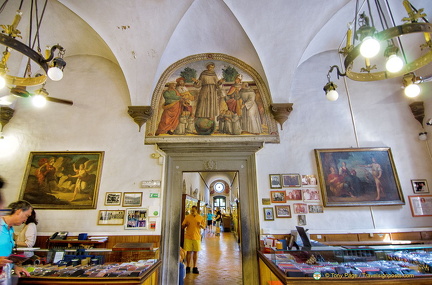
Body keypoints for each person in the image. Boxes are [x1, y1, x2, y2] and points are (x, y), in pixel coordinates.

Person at [1, 200, 33, 283]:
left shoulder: (10, 229)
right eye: (26, 216)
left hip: (4, 275)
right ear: (19, 211)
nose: (26, 220)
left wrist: (14, 267)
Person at [181, 205, 205, 274]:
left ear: (197, 210)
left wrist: (200, 225)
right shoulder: (187, 217)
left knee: (195, 252)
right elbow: (182, 226)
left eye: (193, 210)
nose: (192, 212)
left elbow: (204, 227)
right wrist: (186, 225)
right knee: (188, 252)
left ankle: (194, 267)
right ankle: (188, 266)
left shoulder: (200, 218)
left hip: (197, 237)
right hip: (188, 237)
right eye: (191, 210)